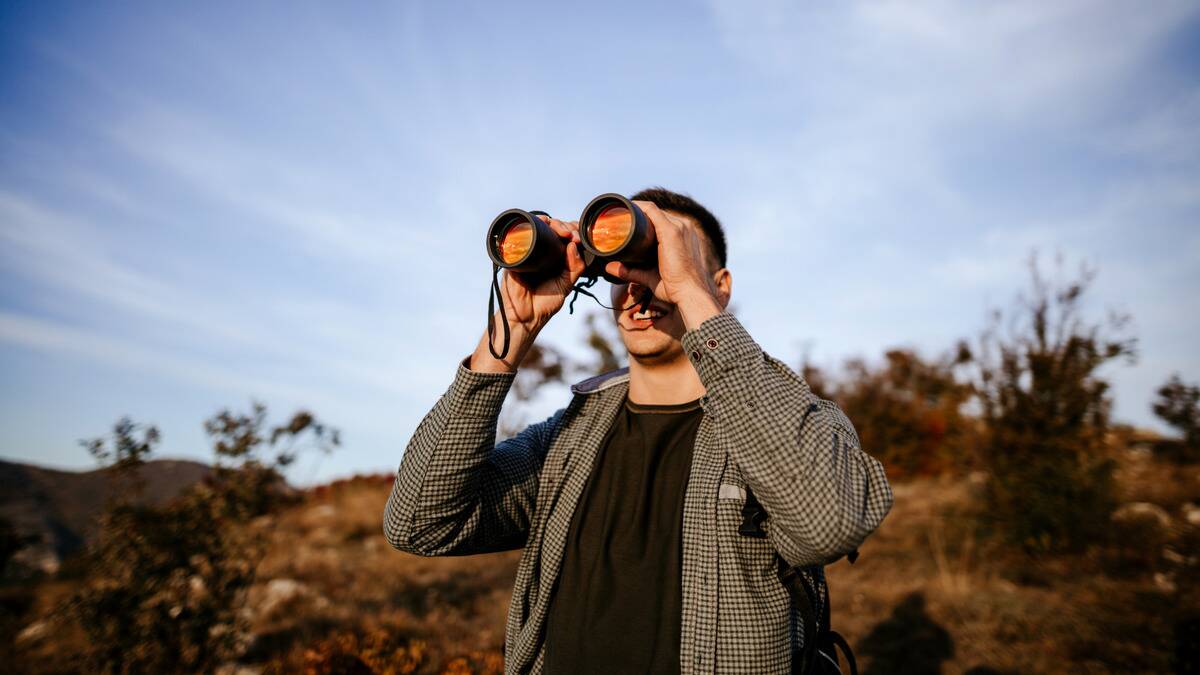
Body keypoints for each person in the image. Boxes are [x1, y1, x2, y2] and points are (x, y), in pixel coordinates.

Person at [383, 187, 894, 674]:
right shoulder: (566, 438)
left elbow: (828, 522)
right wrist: (509, 334)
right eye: (621, 270)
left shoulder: (787, 421)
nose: (639, 288)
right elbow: (419, 523)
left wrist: (690, 291)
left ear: (720, 286)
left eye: (659, 261)